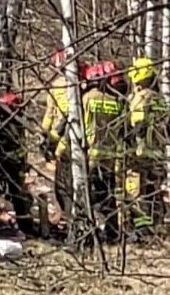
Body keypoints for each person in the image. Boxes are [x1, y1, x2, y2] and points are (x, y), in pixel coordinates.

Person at [54, 61, 125, 241]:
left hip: (87, 156)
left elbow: (75, 128)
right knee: (107, 197)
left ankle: (81, 232)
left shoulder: (84, 100)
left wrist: (62, 148)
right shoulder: (115, 103)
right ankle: (112, 233)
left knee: (81, 194)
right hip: (108, 158)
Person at [124, 56, 168, 238]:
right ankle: (156, 226)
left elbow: (138, 126)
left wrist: (126, 141)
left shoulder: (141, 98)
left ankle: (142, 229)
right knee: (154, 192)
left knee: (137, 194)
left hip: (141, 153)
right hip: (158, 153)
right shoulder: (160, 99)